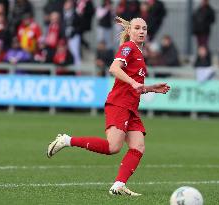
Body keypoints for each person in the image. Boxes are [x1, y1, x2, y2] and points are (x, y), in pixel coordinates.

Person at [47, 17, 170, 196]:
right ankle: (67, 140)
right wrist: (134, 82)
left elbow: (133, 86)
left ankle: (118, 185)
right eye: (137, 28)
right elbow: (114, 68)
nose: (142, 31)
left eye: (144, 28)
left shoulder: (138, 52)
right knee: (113, 147)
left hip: (131, 107)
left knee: (138, 146)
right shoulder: (128, 47)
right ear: (130, 31)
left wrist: (151, 88)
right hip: (119, 104)